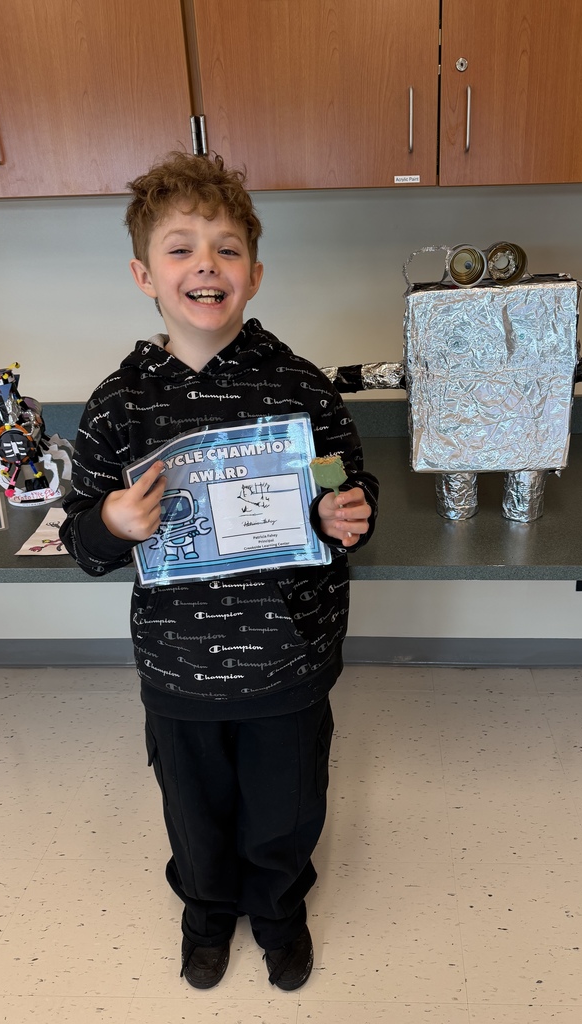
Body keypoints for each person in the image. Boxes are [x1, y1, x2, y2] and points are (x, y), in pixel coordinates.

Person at [60, 151, 378, 992]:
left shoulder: (301, 388)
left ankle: (278, 910)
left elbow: (344, 484)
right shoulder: (118, 404)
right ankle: (205, 914)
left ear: (255, 274)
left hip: (288, 659)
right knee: (195, 816)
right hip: (179, 671)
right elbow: (79, 539)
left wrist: (343, 514)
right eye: (180, 248)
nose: (206, 263)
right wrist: (112, 522)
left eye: (227, 248)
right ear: (143, 274)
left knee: (286, 808)